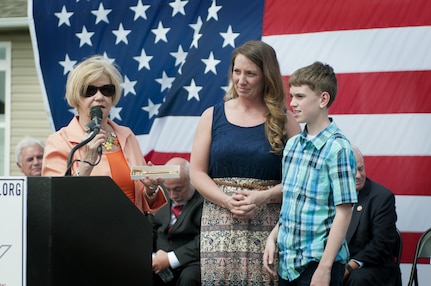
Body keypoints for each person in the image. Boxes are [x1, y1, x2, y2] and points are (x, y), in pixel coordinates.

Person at [190, 40, 301, 285]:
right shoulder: (212, 115)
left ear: (266, 76)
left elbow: (301, 180)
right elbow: (196, 173)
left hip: (269, 223)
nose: (241, 80)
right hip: (219, 223)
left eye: (250, 73)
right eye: (237, 71)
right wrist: (227, 201)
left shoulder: (285, 121)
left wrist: (263, 197)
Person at [263, 61, 357, 286]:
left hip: (318, 263)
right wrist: (273, 237)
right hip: (288, 262)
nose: (292, 103)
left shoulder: (338, 148)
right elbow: (292, 202)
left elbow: (344, 212)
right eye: (291, 96)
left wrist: (325, 268)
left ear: (323, 99)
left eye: (300, 96)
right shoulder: (293, 144)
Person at [42, 55, 166, 214]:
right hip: (87, 234)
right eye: (89, 90)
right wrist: (86, 164)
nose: (99, 97)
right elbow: (56, 202)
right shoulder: (59, 142)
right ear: (76, 96)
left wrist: (151, 189)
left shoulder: (126, 136)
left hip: (132, 233)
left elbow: (144, 200)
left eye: (106, 90)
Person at [343, 146, 401, 286]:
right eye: (353, 170)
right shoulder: (328, 195)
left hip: (372, 265)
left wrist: (350, 267)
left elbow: (381, 244)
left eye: (361, 169)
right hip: (338, 262)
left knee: (357, 279)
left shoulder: (382, 198)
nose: (358, 175)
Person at [149, 157, 203, 286]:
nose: (173, 195)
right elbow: (150, 228)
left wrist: (170, 259)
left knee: (190, 278)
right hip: (158, 259)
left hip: (190, 261)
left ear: (192, 181)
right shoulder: (160, 194)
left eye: (178, 189)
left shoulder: (204, 200)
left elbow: (204, 239)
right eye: (168, 189)